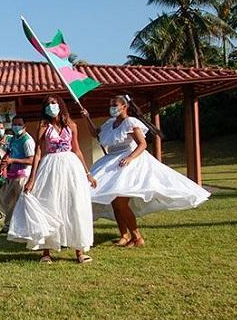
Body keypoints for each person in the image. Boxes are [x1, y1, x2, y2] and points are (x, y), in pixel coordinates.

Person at [87, 95, 210, 247]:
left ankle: (137, 236)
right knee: (114, 200)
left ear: (124, 107)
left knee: (120, 202)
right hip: (111, 161)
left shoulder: (130, 122)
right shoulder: (110, 123)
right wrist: (86, 118)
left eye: (115, 105)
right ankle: (124, 235)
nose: (112, 108)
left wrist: (130, 158)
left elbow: (142, 144)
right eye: (111, 105)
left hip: (127, 162)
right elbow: (96, 134)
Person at [7, 95, 97, 264]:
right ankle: (46, 251)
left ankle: (79, 251)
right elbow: (38, 153)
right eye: (48, 104)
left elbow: (77, 150)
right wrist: (32, 178)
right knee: (49, 205)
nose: (51, 106)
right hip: (50, 167)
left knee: (75, 206)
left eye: (54, 103)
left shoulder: (71, 125)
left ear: (60, 105)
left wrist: (88, 173)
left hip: (71, 168)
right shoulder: (43, 126)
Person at [0, 116, 36, 233]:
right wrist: (4, 162)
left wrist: (13, 160)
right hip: (11, 174)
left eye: (19, 124)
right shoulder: (13, 138)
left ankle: (26, 226)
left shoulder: (27, 140)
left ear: (25, 126)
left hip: (23, 175)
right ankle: (8, 225)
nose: (16, 126)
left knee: (23, 202)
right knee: (8, 202)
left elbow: (31, 160)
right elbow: (9, 153)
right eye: (14, 124)